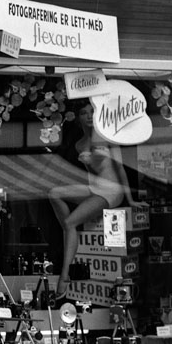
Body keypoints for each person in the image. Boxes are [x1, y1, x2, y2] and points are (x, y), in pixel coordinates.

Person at [47, 102, 131, 291]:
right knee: (54, 193)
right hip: (94, 187)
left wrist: (130, 199)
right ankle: (68, 230)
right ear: (78, 118)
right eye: (84, 113)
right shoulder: (79, 145)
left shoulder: (109, 137)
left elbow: (120, 168)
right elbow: (93, 172)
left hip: (111, 191)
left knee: (70, 223)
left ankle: (65, 275)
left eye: (92, 111)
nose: (88, 116)